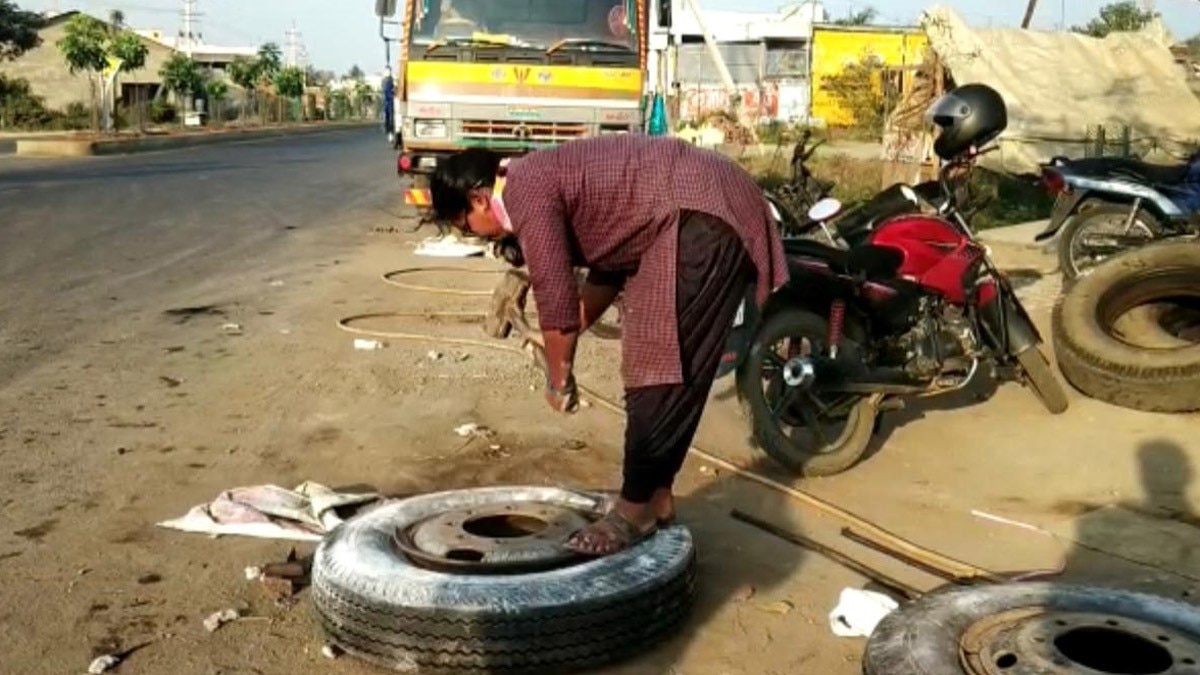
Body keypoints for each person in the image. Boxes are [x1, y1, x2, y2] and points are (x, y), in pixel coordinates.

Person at [429, 134, 788, 556]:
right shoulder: (530, 177)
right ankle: (656, 496)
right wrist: (559, 342)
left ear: (478, 200)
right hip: (689, 209)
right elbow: (604, 272)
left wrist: (558, 378)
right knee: (658, 363)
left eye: (466, 226)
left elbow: (555, 291)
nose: (477, 237)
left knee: (658, 367)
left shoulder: (525, 189)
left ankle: (634, 508)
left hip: (698, 212)